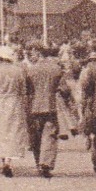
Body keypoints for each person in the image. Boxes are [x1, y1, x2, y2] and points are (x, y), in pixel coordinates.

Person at [0, 44, 31, 178]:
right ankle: (9, 161)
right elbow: (24, 91)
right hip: (15, 103)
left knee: (0, 132)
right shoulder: (18, 71)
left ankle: (4, 160)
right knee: (13, 132)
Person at [24, 46, 66, 178]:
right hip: (51, 106)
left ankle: (38, 162)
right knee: (50, 134)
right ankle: (46, 163)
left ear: (38, 53)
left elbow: (27, 90)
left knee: (36, 136)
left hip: (33, 107)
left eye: (32, 54)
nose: (31, 57)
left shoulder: (30, 70)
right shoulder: (56, 69)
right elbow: (64, 89)